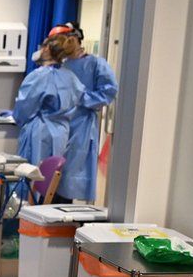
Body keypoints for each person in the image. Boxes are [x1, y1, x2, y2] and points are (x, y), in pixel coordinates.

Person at [50, 22, 118, 203]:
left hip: (80, 127)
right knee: (49, 181)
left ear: (75, 39)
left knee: (69, 180)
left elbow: (109, 91)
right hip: (56, 126)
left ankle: (65, 226)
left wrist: (81, 98)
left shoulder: (95, 64)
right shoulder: (58, 65)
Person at [13, 35, 84, 169]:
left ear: (47, 49)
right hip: (62, 133)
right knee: (50, 178)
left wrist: (15, 116)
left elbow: (23, 109)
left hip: (40, 134)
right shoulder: (70, 77)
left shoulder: (39, 76)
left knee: (33, 177)